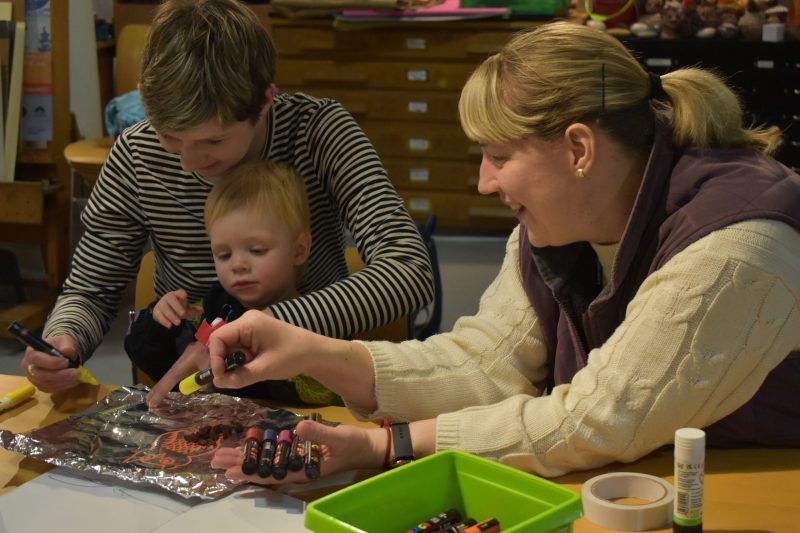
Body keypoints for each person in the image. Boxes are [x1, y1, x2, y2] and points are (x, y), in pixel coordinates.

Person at [208, 21, 800, 483]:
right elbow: (487, 362)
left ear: (578, 149)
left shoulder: (738, 246)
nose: (485, 183)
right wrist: (316, 353)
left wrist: (389, 444)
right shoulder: (556, 225)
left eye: (498, 155)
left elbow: (597, 418)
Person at [21, 0, 433, 393]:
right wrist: (63, 339)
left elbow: (409, 269)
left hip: (308, 381)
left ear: (265, 102)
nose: (187, 161)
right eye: (169, 138)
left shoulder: (319, 133)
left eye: (213, 140)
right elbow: (91, 288)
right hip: (189, 387)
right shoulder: (136, 152)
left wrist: (256, 329)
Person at [125, 160, 340, 406]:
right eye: (224, 255)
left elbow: (328, 395)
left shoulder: (317, 320)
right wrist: (159, 319)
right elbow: (149, 359)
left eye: (257, 250)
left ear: (299, 250)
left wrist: (250, 356)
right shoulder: (213, 311)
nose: (237, 265)